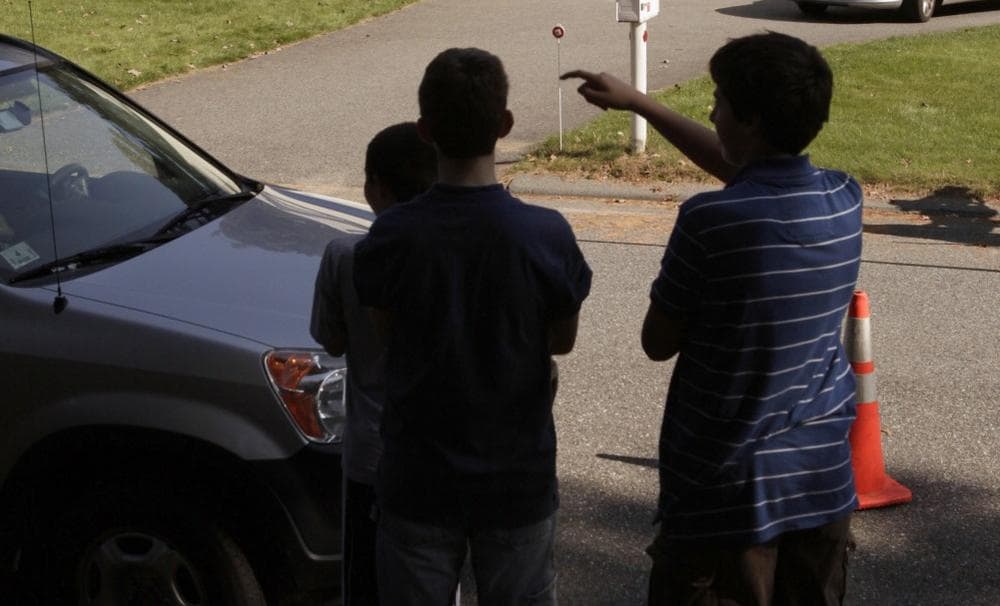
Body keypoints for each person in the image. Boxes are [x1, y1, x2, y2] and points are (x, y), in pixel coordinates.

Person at [564, 32, 861, 606]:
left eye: (720, 100)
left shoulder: (711, 221)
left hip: (726, 496)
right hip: (821, 484)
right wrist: (642, 104)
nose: (711, 109)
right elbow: (749, 176)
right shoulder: (845, 198)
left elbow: (657, 341)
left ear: (747, 121)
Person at [353, 47, 593, 606]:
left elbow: (386, 331)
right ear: (506, 125)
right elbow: (563, 340)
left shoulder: (390, 237)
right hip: (517, 478)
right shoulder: (546, 234)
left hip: (417, 477)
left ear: (424, 130)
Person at [310, 122, 438, 606]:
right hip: (439, 450)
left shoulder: (346, 255)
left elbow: (332, 340)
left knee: (364, 578)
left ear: (373, 188)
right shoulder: (451, 253)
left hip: (372, 452)